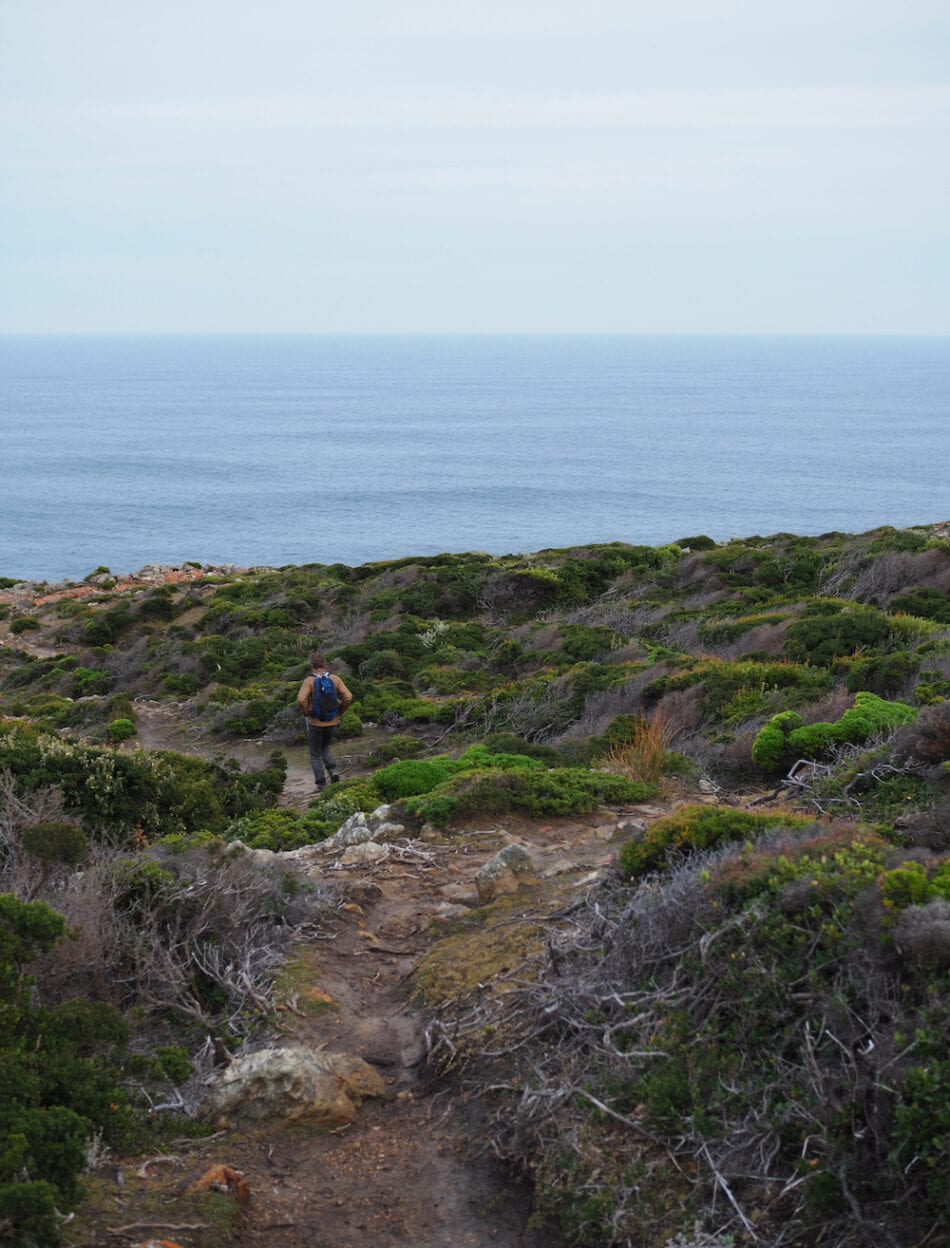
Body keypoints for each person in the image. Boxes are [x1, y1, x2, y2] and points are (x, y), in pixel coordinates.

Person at [296, 652, 353, 791]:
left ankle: (321, 784)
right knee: (325, 747)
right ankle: (333, 773)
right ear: (325, 664)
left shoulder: (309, 681)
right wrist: (340, 711)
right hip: (332, 721)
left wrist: (308, 712)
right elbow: (348, 697)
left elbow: (301, 699)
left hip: (315, 723)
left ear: (312, 665)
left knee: (315, 753)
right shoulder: (334, 679)